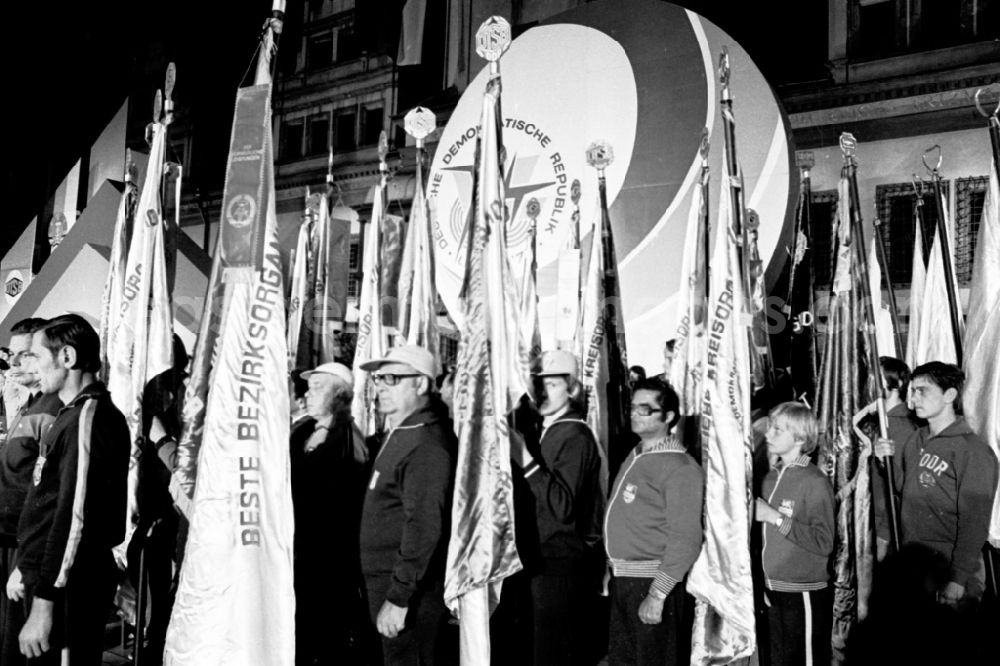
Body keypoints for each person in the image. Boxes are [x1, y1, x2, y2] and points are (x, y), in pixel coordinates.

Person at [9, 314, 129, 664]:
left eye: (36, 355)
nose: (30, 365)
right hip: (52, 581)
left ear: (67, 358)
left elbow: (73, 517)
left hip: (69, 589)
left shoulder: (89, 418)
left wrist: (45, 603)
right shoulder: (70, 414)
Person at [358, 345, 457, 665]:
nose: (382, 386)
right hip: (387, 580)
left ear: (422, 384)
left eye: (394, 378)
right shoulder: (403, 432)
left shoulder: (426, 442)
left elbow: (424, 524)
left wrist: (399, 597)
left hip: (411, 592)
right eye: (379, 378)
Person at [875, 362, 999, 606]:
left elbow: (975, 522)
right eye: (912, 390)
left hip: (951, 568)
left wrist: (958, 579)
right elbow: (906, 490)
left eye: (923, 391)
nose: (914, 398)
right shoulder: (916, 439)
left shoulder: (972, 451)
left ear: (949, 395)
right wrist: (884, 464)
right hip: (915, 563)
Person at [510, 349, 603, 666]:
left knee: (552, 651)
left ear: (572, 388)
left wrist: (524, 458)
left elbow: (562, 507)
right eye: (538, 385)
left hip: (559, 559)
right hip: (538, 556)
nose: (542, 392)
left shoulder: (574, 435)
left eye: (551, 384)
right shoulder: (547, 429)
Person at [604, 379, 702, 666]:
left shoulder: (680, 467)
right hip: (626, 579)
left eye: (645, 409)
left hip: (652, 582)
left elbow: (686, 540)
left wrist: (658, 594)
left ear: (669, 416)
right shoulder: (636, 454)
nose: (635, 413)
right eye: (633, 407)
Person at [292, 361, 367, 665]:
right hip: (297, 557)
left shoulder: (351, 442)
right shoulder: (301, 433)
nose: (308, 395)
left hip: (328, 566)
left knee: (325, 641)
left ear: (340, 396)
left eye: (318, 388)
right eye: (308, 388)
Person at [0, 318, 62, 666]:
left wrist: (26, 561)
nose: (15, 363)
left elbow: (45, 491)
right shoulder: (32, 402)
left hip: (24, 549)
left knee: (24, 652)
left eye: (26, 355)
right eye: (13, 354)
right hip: (10, 541)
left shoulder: (54, 409)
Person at [755, 401, 835, 666]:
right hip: (773, 588)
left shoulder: (814, 481)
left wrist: (775, 517)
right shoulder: (770, 477)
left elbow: (824, 542)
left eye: (777, 430)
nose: (768, 435)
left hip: (803, 592)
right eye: (770, 428)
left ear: (800, 437)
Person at [855, 357, 920, 561]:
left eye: (876, 379)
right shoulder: (880, 421)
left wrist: (884, 535)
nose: (869, 384)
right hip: (875, 520)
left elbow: (902, 489)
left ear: (898, 384)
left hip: (888, 527)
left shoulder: (899, 427)